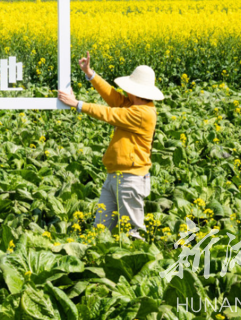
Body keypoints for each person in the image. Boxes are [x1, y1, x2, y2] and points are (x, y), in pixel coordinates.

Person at [57, 52, 163, 239]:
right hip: (114, 176)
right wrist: (90, 74)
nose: (125, 91)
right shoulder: (132, 105)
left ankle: (134, 265)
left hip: (131, 179)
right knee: (100, 231)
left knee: (131, 233)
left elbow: (109, 113)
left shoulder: (143, 113)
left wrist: (77, 104)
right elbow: (113, 97)